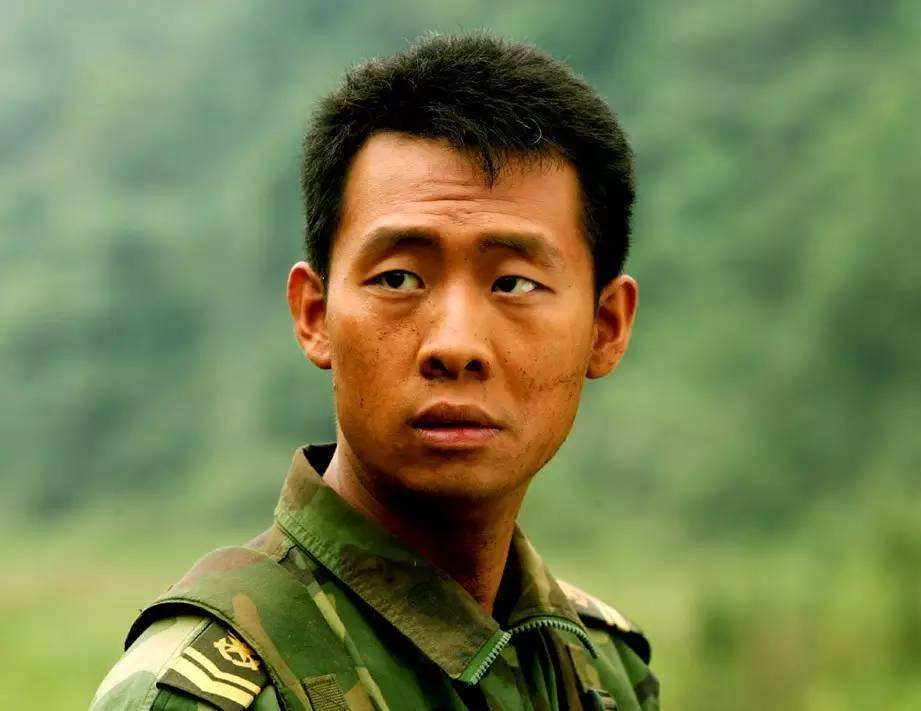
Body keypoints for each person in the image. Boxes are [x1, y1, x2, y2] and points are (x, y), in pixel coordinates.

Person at [90, 31, 657, 710]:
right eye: (398, 278)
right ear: (314, 314)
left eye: (513, 283)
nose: (455, 345)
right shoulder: (211, 693)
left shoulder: (602, 671)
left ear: (606, 327)